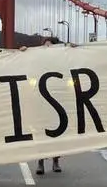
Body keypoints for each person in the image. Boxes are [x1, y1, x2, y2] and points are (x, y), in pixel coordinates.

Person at [18, 36, 69, 175]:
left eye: (51, 46)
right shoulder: (36, 59)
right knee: (40, 132)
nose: (47, 48)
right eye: (45, 46)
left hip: (56, 101)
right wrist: (22, 52)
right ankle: (40, 162)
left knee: (57, 133)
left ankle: (55, 161)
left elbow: (71, 63)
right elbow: (25, 65)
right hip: (40, 102)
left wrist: (75, 50)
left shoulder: (60, 61)